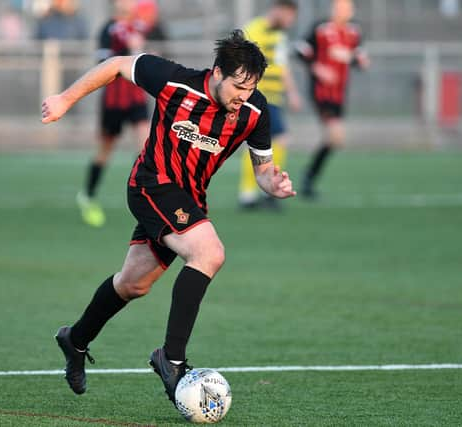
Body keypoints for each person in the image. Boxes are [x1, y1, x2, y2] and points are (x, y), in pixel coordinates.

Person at [41, 30, 296, 404]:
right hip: (151, 184)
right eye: (238, 86)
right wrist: (64, 99)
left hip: (189, 199)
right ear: (217, 73)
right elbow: (115, 65)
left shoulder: (255, 111)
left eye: (251, 87)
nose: (244, 95)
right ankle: (171, 359)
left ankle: (75, 339)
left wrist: (272, 184)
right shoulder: (175, 80)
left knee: (132, 285)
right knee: (209, 253)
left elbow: (263, 169)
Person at [76, 0, 164, 227]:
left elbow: (155, 53)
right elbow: (102, 63)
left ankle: (140, 195)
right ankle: (88, 194)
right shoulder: (109, 29)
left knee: (146, 145)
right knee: (105, 150)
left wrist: (149, 52)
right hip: (114, 99)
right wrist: (129, 51)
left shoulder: (141, 26)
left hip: (136, 97)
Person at [295, 0, 370, 199]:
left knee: (335, 140)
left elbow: (360, 59)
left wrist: (356, 60)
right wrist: (317, 67)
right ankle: (309, 178)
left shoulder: (354, 32)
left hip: (339, 94)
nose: (342, 11)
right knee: (335, 136)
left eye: (346, 7)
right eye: (339, 7)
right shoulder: (321, 29)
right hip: (321, 92)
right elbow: (300, 50)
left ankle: (309, 176)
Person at [238, 0, 302, 210]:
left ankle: (250, 194)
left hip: (273, 99)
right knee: (278, 140)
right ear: (278, 10)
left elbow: (282, 67)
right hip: (258, 97)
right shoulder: (253, 29)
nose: (290, 21)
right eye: (289, 15)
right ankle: (262, 192)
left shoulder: (279, 36)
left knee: (263, 144)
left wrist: (292, 93)